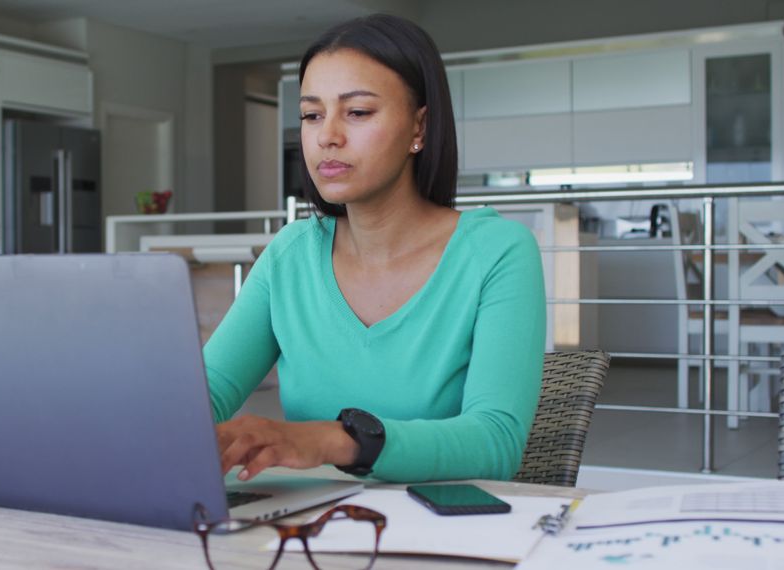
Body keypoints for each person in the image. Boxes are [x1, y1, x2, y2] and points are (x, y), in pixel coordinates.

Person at [204, 14, 546, 483]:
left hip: (434, 539)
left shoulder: (498, 252)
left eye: (358, 112)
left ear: (419, 128)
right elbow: (206, 392)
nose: (327, 136)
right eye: (311, 115)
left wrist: (333, 440)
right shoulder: (290, 255)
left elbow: (496, 443)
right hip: (299, 531)